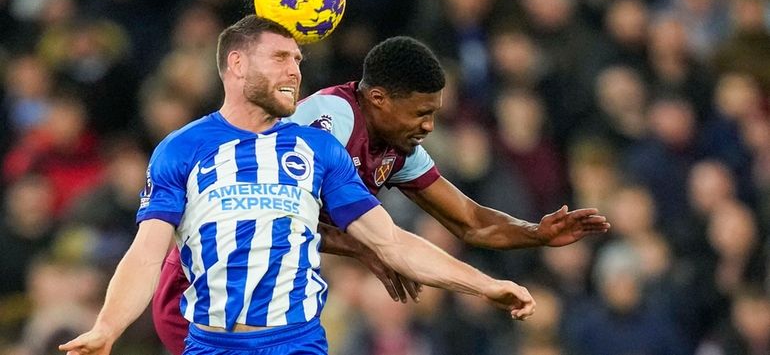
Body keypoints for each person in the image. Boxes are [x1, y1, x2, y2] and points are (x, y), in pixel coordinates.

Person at [59, 15, 536, 355]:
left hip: (297, 341)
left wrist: (485, 285)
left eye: (298, 59)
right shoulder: (181, 150)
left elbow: (390, 240)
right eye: (280, 58)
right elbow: (145, 255)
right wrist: (107, 328)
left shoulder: (318, 149)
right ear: (238, 65)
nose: (295, 70)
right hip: (209, 343)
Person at [152, 34, 610, 354]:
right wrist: (367, 249)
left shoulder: (397, 146)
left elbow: (469, 221)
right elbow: (278, 213)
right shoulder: (330, 121)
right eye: (421, 113)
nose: (428, 126)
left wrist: (537, 232)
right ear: (379, 99)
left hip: (272, 306)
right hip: (207, 290)